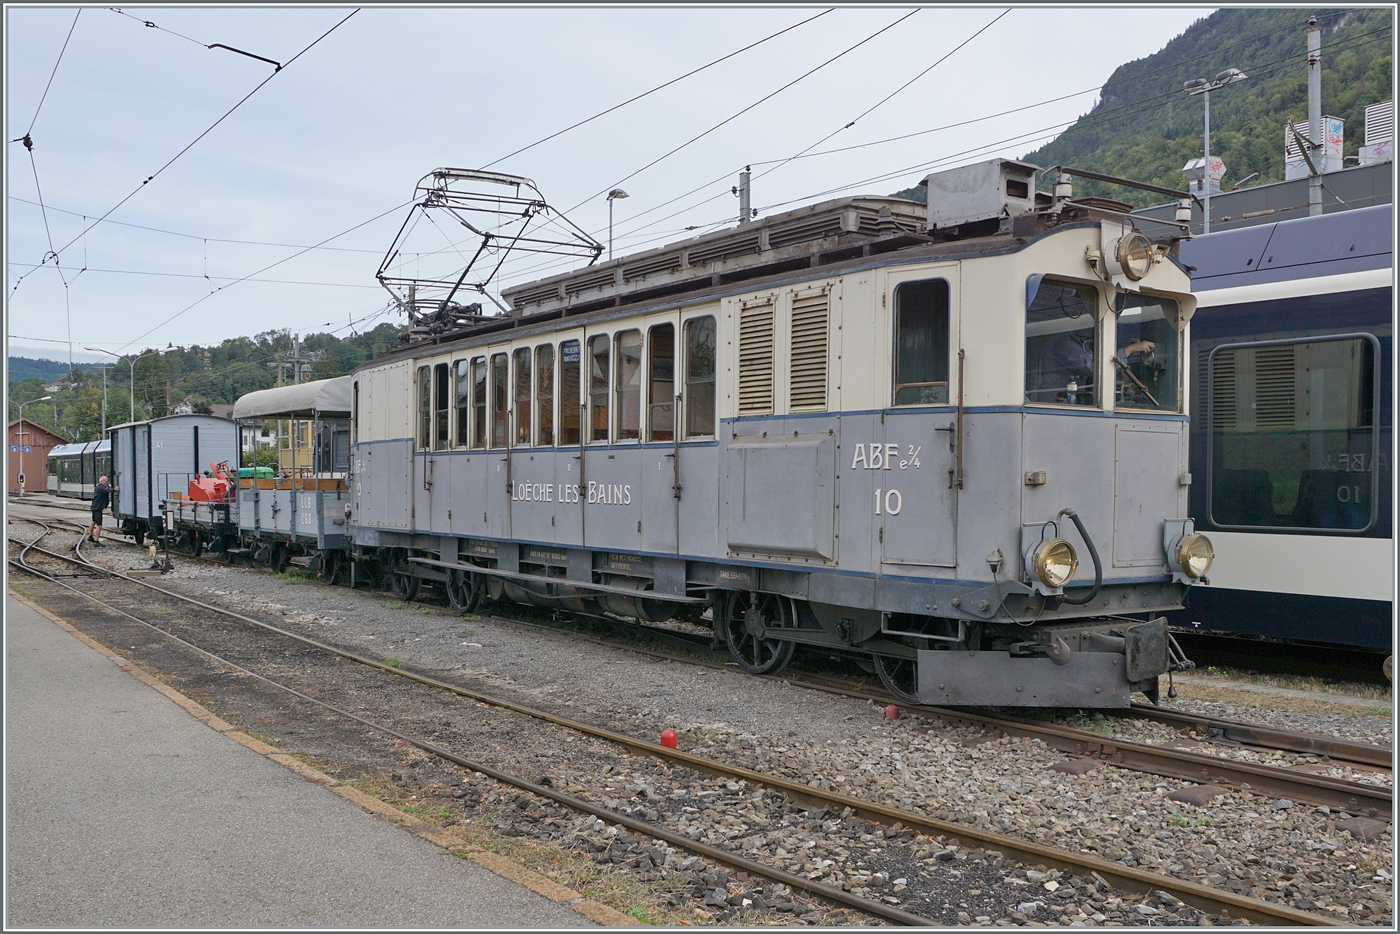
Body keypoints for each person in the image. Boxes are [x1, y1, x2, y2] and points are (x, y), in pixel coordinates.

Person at [89, 476, 112, 546]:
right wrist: (114, 489)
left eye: (108, 481)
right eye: (106, 481)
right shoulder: (100, 488)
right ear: (102, 482)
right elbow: (106, 490)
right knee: (99, 525)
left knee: (93, 521)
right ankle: (96, 541)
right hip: (97, 509)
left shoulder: (99, 487)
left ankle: (90, 536)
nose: (107, 483)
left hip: (95, 508)